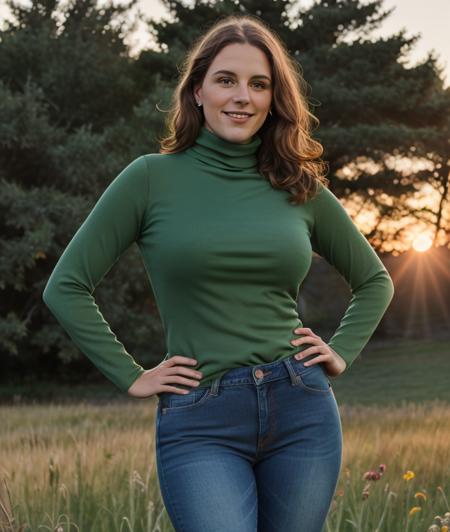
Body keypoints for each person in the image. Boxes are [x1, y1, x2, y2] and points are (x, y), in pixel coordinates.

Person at [42, 14, 395, 532]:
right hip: (200, 417)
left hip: (302, 409)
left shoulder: (299, 188)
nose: (242, 97)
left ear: (274, 100)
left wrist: (340, 351)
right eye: (226, 80)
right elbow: (66, 286)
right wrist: (132, 375)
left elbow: (375, 280)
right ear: (198, 90)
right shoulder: (149, 179)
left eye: (259, 84)